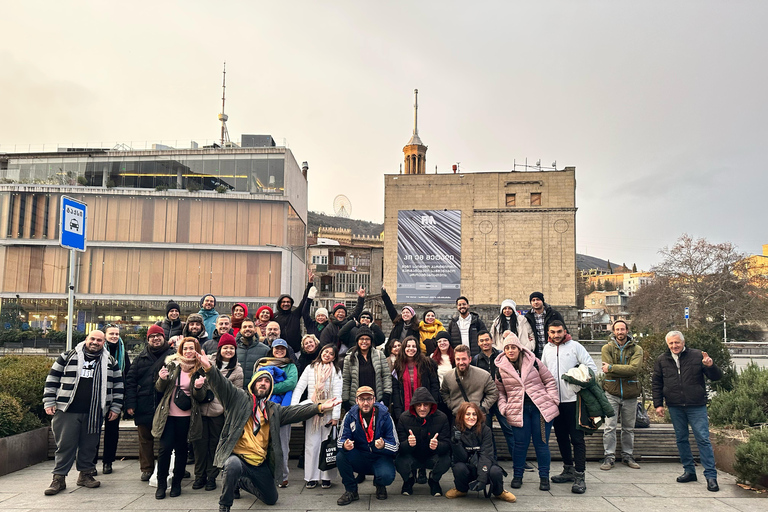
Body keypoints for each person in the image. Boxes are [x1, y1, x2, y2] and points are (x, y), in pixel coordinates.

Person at [191, 347, 340, 512]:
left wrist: (320, 407)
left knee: (271, 499)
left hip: (258, 463)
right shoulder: (238, 398)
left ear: (270, 387)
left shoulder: (273, 409)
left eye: (267, 381)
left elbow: (296, 412)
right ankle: (225, 505)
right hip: (238, 458)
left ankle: (240, 482)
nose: (263, 383)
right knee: (232, 465)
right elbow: (222, 384)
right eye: (260, 380)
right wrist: (209, 368)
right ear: (253, 383)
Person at [43, 330, 124, 495]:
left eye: (99, 340)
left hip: (94, 412)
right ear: (86, 339)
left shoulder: (110, 361)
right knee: (65, 445)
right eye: (92, 339)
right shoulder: (68, 356)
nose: (95, 342)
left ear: (104, 343)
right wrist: (49, 401)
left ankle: (86, 474)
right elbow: (52, 379)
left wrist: (115, 407)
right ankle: (58, 478)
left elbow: (118, 386)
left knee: (89, 445)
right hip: (67, 409)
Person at [653, 330, 723, 492]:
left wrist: (710, 366)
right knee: (681, 439)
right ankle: (689, 471)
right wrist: (658, 404)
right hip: (675, 405)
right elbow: (656, 383)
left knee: (703, 439)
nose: (674, 346)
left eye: (677, 342)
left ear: (683, 342)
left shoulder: (697, 355)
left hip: (696, 405)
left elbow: (716, 377)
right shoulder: (662, 359)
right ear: (667, 344)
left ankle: (711, 476)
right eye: (671, 343)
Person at [495, 332, 559, 491]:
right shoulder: (500, 369)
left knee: (541, 444)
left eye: (513, 347)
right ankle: (518, 476)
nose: (511, 350)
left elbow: (549, 381)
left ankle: (544, 477)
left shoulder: (534, 362)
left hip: (540, 409)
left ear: (519, 348)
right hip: (518, 410)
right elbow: (500, 392)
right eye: (507, 348)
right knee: (520, 445)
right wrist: (504, 408)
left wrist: (553, 400)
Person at [541, 320, 597, 494]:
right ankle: (568, 469)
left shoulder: (575, 346)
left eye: (559, 331)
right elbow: (543, 372)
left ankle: (580, 475)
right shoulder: (546, 349)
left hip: (574, 401)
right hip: (555, 402)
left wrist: (576, 385)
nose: (556, 335)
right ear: (548, 333)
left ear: (564, 331)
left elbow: (591, 368)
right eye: (553, 332)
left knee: (577, 439)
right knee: (561, 437)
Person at [151, 337, 206, 499]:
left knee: (182, 451)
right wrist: (161, 379)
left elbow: (201, 397)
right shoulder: (172, 365)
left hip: (187, 417)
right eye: (186, 348)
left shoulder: (201, 369)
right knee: (164, 449)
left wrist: (198, 388)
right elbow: (160, 389)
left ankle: (176, 483)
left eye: (192, 348)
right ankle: (161, 485)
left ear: (196, 350)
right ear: (181, 350)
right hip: (168, 415)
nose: (188, 351)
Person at [124, 325, 176, 481]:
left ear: (163, 337)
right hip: (144, 403)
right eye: (152, 336)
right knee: (145, 439)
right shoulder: (140, 358)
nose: (156, 338)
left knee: (167, 439)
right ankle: (147, 468)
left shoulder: (173, 356)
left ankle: (169, 467)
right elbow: (131, 382)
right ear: (148, 339)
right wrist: (130, 404)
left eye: (158, 335)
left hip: (166, 404)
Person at [193, 334, 244, 492]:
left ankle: (211, 477)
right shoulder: (207, 362)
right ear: (219, 348)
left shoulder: (237, 370)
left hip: (220, 413)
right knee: (200, 445)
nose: (228, 350)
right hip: (201, 410)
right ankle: (199, 475)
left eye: (231, 348)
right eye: (225, 347)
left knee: (215, 445)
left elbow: (236, 394)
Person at [291, 343, 343, 489]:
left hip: (328, 412)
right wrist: (294, 407)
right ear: (321, 352)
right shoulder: (310, 368)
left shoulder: (336, 371)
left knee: (327, 446)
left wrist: (336, 417)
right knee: (311, 445)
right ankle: (311, 477)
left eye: (331, 354)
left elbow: (338, 395)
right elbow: (300, 387)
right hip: (312, 411)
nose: (327, 355)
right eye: (325, 352)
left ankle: (326, 477)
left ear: (334, 357)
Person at [336, 386, 399, 505]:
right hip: (360, 456)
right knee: (341, 456)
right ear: (356, 401)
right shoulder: (350, 415)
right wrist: (345, 445)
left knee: (387, 476)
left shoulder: (385, 416)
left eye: (369, 399)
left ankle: (380, 485)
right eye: (362, 399)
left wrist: (384, 445)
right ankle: (351, 491)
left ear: (374, 400)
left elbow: (395, 445)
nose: (365, 403)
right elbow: (340, 441)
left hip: (380, 457)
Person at [444, 402, 516, 502]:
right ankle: (461, 490)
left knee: (496, 471)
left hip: (483, 465)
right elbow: (461, 458)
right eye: (467, 414)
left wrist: (482, 479)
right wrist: (455, 443)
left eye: (474, 414)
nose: (471, 417)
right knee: (458, 467)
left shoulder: (486, 430)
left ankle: (499, 492)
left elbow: (486, 455)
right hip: (468, 465)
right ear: (462, 416)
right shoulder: (456, 430)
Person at [255, 339, 298, 488]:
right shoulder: (263, 364)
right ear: (271, 349)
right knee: (263, 443)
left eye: (282, 348)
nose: (279, 351)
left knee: (282, 444)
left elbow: (291, 383)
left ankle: (283, 476)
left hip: (283, 410)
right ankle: (265, 474)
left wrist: (271, 387)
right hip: (263, 408)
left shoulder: (291, 366)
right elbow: (257, 384)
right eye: (276, 348)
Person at [600, 320, 643, 471]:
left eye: (622, 329)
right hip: (611, 392)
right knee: (610, 426)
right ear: (613, 331)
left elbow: (633, 369)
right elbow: (606, 368)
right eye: (617, 329)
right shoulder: (607, 348)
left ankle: (627, 455)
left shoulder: (637, 349)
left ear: (627, 330)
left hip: (630, 393)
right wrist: (613, 369)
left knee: (628, 428)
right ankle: (609, 456)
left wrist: (612, 368)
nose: (620, 332)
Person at [395, 387, 451, 497]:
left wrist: (438, 446)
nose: (422, 408)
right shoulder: (404, 418)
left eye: (426, 405)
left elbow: (447, 445)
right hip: (413, 456)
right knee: (399, 461)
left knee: (446, 460)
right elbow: (398, 447)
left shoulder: (442, 418)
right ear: (414, 406)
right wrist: (408, 444)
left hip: (432, 456)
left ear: (431, 405)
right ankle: (409, 480)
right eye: (418, 405)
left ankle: (434, 480)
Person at [94, 323, 131, 475]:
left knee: (112, 432)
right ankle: (90, 462)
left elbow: (127, 374)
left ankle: (108, 462)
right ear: (105, 336)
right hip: (97, 398)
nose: (115, 336)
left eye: (116, 334)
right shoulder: (97, 351)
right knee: (93, 432)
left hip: (115, 396)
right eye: (111, 334)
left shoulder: (123, 352)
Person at [440, 344, 498, 419]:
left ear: (470, 359)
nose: (461, 362)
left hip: (477, 417)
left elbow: (493, 392)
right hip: (457, 416)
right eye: (458, 359)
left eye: (464, 359)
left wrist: (483, 407)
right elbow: (444, 393)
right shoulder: (447, 376)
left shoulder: (484, 375)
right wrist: (452, 405)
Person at [341, 326, 392, 411]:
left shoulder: (380, 355)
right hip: (356, 402)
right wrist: (346, 401)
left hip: (376, 400)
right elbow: (346, 380)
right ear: (357, 340)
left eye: (367, 339)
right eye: (361, 339)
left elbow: (386, 376)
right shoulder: (349, 358)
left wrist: (386, 395)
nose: (364, 341)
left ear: (371, 341)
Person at [391, 336, 440, 420]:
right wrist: (398, 411)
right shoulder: (398, 365)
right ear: (403, 348)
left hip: (425, 406)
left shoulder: (427, 364)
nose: (411, 349)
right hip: (405, 408)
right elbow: (396, 390)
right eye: (408, 346)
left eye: (414, 346)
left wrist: (432, 405)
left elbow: (434, 385)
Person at [274, 271, 315, 353]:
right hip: (280, 351)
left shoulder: (295, 314)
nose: (286, 304)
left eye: (288, 302)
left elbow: (304, 301)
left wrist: (310, 283)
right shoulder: (274, 317)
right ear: (279, 304)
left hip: (296, 350)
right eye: (283, 302)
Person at [524, 292, 566, 359]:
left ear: (542, 301)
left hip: (553, 348)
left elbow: (564, 330)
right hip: (537, 351)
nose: (535, 302)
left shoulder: (554, 314)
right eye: (533, 300)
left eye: (538, 299)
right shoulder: (528, 317)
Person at [236, 317, 270, 387]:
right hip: (236, 391)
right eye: (244, 327)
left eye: (250, 326)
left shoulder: (265, 350)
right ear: (240, 330)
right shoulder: (233, 349)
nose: (247, 329)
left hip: (255, 392)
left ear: (255, 330)